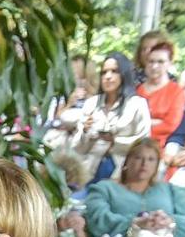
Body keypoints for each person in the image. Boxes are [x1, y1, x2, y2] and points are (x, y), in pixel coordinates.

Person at [49, 53, 151, 184]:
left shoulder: (137, 104)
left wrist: (115, 142)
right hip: (89, 169)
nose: (108, 77)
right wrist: (85, 131)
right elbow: (78, 148)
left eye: (114, 71)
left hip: (122, 169)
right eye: (104, 72)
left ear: (124, 74)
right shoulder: (92, 103)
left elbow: (144, 142)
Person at [136, 36, 185, 156]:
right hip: (135, 145)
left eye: (160, 62)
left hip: (163, 148)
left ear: (169, 63)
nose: (155, 66)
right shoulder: (137, 90)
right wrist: (154, 121)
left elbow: (170, 125)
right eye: (151, 61)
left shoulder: (176, 91)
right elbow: (130, 123)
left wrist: (144, 124)